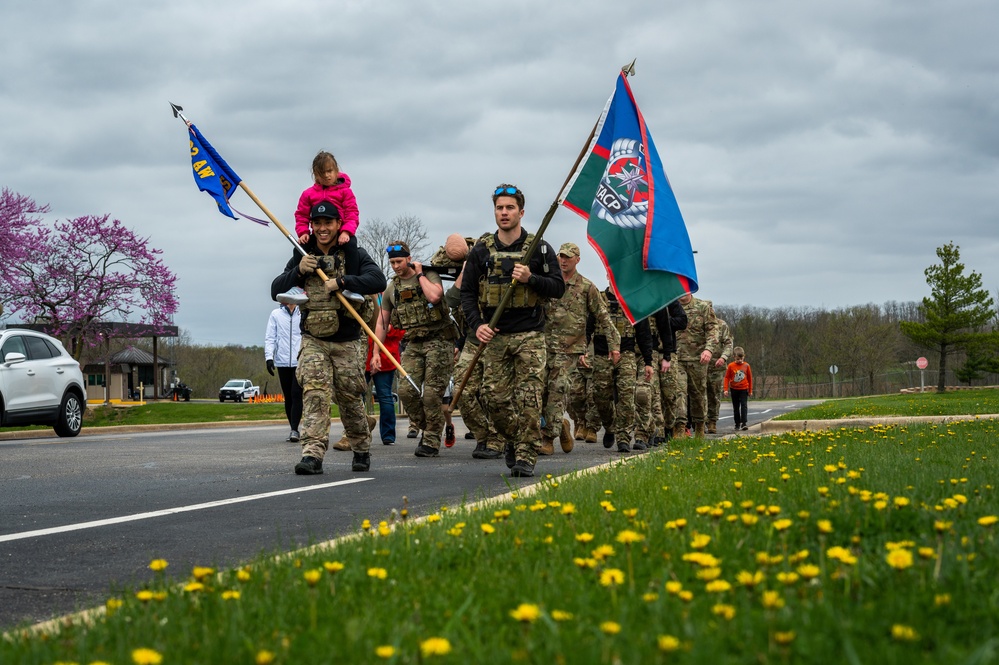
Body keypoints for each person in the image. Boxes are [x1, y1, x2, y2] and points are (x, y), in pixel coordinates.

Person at [271, 200, 387, 475]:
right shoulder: (303, 252)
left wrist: (344, 282)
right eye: (317, 223)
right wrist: (298, 271)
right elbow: (275, 288)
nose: (322, 229)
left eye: (328, 223)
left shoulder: (354, 254)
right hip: (313, 339)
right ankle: (312, 454)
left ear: (338, 224)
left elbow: (378, 280)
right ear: (311, 225)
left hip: (346, 342)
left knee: (349, 398)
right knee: (314, 393)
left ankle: (360, 447)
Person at [459, 184, 565, 477]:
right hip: (495, 336)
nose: (504, 213)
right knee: (493, 398)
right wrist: (477, 325)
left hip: (530, 335)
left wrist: (532, 278)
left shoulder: (539, 248)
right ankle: (514, 438)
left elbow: (558, 288)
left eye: (509, 208)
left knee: (529, 398)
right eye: (499, 208)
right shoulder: (481, 250)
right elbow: (467, 294)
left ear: (521, 212)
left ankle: (526, 454)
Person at [372, 241, 455, 457]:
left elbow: (435, 297)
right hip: (414, 344)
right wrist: (376, 353)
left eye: (399, 261)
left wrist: (420, 275)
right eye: (392, 262)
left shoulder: (429, 275)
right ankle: (431, 428)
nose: (396, 266)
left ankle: (430, 441)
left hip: (439, 341)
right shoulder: (392, 288)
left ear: (409, 259)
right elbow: (382, 323)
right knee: (405, 391)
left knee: (431, 396)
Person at [540, 242, 619, 455]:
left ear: (577, 260)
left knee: (557, 392)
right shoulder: (549, 283)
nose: (563, 261)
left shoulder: (586, 287)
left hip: (570, 350)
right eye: (561, 257)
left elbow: (603, 317)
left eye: (568, 257)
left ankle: (548, 439)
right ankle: (561, 427)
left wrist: (614, 345)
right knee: (539, 394)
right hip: (543, 347)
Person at [588, 287, 654, 453]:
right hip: (602, 355)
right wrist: (583, 350)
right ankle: (610, 426)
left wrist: (648, 361)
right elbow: (587, 327)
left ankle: (623, 437)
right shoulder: (599, 298)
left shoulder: (633, 301)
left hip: (626, 354)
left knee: (626, 397)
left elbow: (643, 333)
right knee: (600, 396)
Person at [671, 294, 720, 438]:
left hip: (698, 360)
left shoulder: (703, 307)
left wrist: (709, 349)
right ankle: (679, 426)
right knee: (678, 392)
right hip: (677, 359)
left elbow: (713, 330)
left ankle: (699, 425)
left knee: (698, 395)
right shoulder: (671, 307)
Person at [264, 289, 303, 442]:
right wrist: (269, 358)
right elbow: (270, 337)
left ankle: (294, 430)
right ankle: (293, 427)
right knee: (288, 396)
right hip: (282, 361)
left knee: (296, 393)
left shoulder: (303, 313)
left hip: (299, 361)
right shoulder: (276, 315)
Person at [366, 317, 404, 445]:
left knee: (385, 396)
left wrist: (389, 329)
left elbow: (402, 330)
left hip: (386, 357)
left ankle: (388, 435)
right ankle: (356, 430)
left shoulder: (390, 301)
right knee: (354, 397)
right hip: (363, 355)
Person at [706, 318, 733, 434]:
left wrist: (724, 357)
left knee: (714, 394)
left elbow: (728, 343)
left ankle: (712, 420)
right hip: (698, 364)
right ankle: (699, 421)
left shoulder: (721, 325)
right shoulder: (698, 323)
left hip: (716, 366)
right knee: (698, 394)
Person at [723, 346, 753, 431]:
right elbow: (726, 378)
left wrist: (750, 390)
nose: (739, 360)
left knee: (744, 406)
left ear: (744, 356)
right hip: (734, 389)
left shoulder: (746, 366)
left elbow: (750, 379)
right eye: (737, 359)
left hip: (744, 389)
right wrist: (725, 389)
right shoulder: (731, 366)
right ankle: (737, 423)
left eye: (741, 358)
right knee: (736, 407)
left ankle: (744, 423)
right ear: (734, 357)